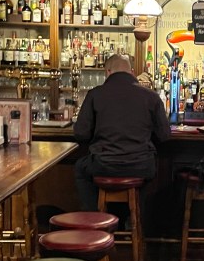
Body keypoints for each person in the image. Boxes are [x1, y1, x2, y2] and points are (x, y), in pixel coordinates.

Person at [73, 53, 171, 211]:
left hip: (103, 165)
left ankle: (94, 222)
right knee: (152, 170)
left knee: (80, 167)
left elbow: (81, 134)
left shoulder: (95, 95)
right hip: (141, 166)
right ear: (132, 72)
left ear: (108, 72)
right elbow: (165, 135)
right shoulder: (151, 97)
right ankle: (137, 220)